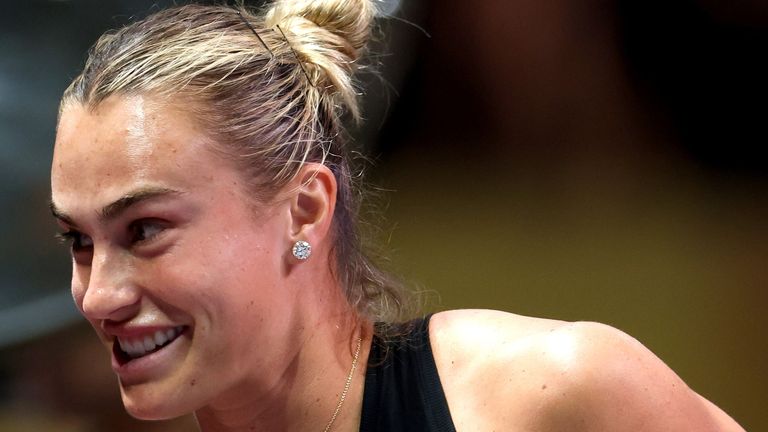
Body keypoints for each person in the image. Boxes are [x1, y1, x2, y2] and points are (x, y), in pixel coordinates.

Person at [49, 1, 745, 431]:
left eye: (145, 231)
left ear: (304, 212)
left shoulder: (550, 395)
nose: (96, 296)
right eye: (79, 241)